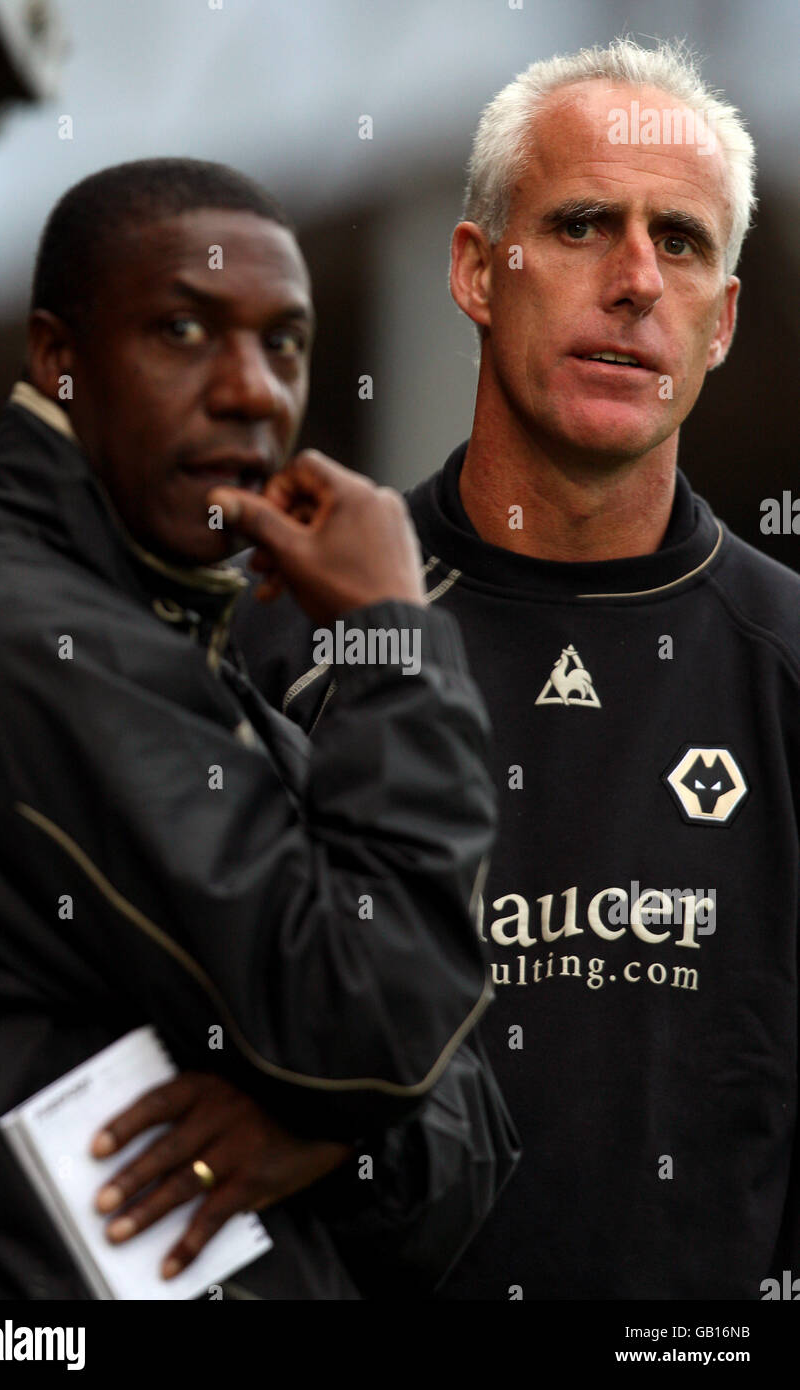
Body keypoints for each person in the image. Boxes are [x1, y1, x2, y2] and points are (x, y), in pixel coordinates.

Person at [231, 38, 800, 1300]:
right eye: (585, 223)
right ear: (476, 269)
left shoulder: (784, 663)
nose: (638, 280)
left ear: (723, 320)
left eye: (684, 242)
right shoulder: (283, 632)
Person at [0, 158, 519, 1301]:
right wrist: (395, 636)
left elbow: (475, 1137)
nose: (250, 389)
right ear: (60, 358)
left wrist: (337, 1134)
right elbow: (368, 1023)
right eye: (184, 331)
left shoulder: (206, 667)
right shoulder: (8, 633)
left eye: (284, 343)